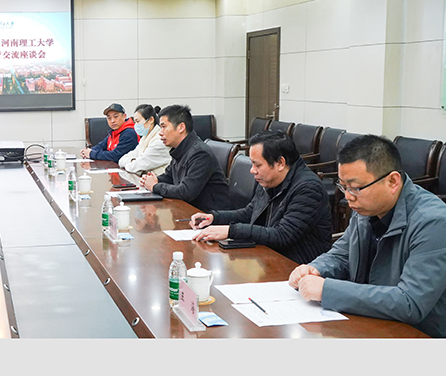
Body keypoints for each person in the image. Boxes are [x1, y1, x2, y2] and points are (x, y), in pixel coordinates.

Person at [288, 134, 446, 337]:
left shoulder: (434, 222)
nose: (348, 197)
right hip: (368, 321)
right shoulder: (366, 207)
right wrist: (315, 269)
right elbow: (342, 255)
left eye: (355, 188)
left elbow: (410, 302)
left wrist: (327, 290)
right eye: (343, 186)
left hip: (416, 334)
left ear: (393, 181)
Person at [190, 130, 332, 264]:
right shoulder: (270, 180)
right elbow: (250, 213)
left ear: (280, 163)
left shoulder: (308, 189)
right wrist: (213, 218)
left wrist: (230, 231)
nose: (252, 170)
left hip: (297, 268)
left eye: (257, 165)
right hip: (268, 257)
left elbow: (282, 235)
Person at [140, 104, 230, 212]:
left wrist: (155, 186)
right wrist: (151, 181)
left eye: (164, 127)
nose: (160, 133)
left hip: (209, 215)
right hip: (190, 211)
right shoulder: (179, 149)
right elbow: (169, 177)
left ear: (181, 127)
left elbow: (186, 192)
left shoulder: (200, 154)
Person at [118, 104, 171, 175]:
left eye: (138, 121)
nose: (135, 125)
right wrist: (133, 161)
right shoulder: (144, 138)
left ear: (151, 120)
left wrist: (132, 162)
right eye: (135, 122)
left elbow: (136, 167)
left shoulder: (160, 141)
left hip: (159, 180)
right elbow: (121, 160)